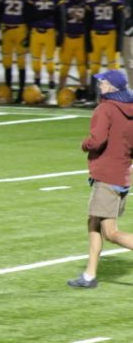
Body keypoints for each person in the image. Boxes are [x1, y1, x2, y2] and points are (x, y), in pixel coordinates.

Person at [68, 70, 133, 288]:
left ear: (112, 87)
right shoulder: (130, 109)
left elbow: (97, 141)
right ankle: (89, 275)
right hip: (122, 175)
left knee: (110, 232)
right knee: (93, 221)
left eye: (103, 82)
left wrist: (84, 144)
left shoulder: (105, 109)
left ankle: (89, 276)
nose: (100, 84)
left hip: (107, 175)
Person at [23, 0, 66, 98]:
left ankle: (52, 92)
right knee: (36, 63)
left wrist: (61, 34)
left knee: (51, 65)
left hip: (50, 32)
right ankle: (37, 92)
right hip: (36, 32)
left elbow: (61, 17)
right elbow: (28, 15)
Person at [111, 0, 133, 84]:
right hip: (111, 29)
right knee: (111, 64)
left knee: (129, 62)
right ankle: (109, 94)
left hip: (128, 29)